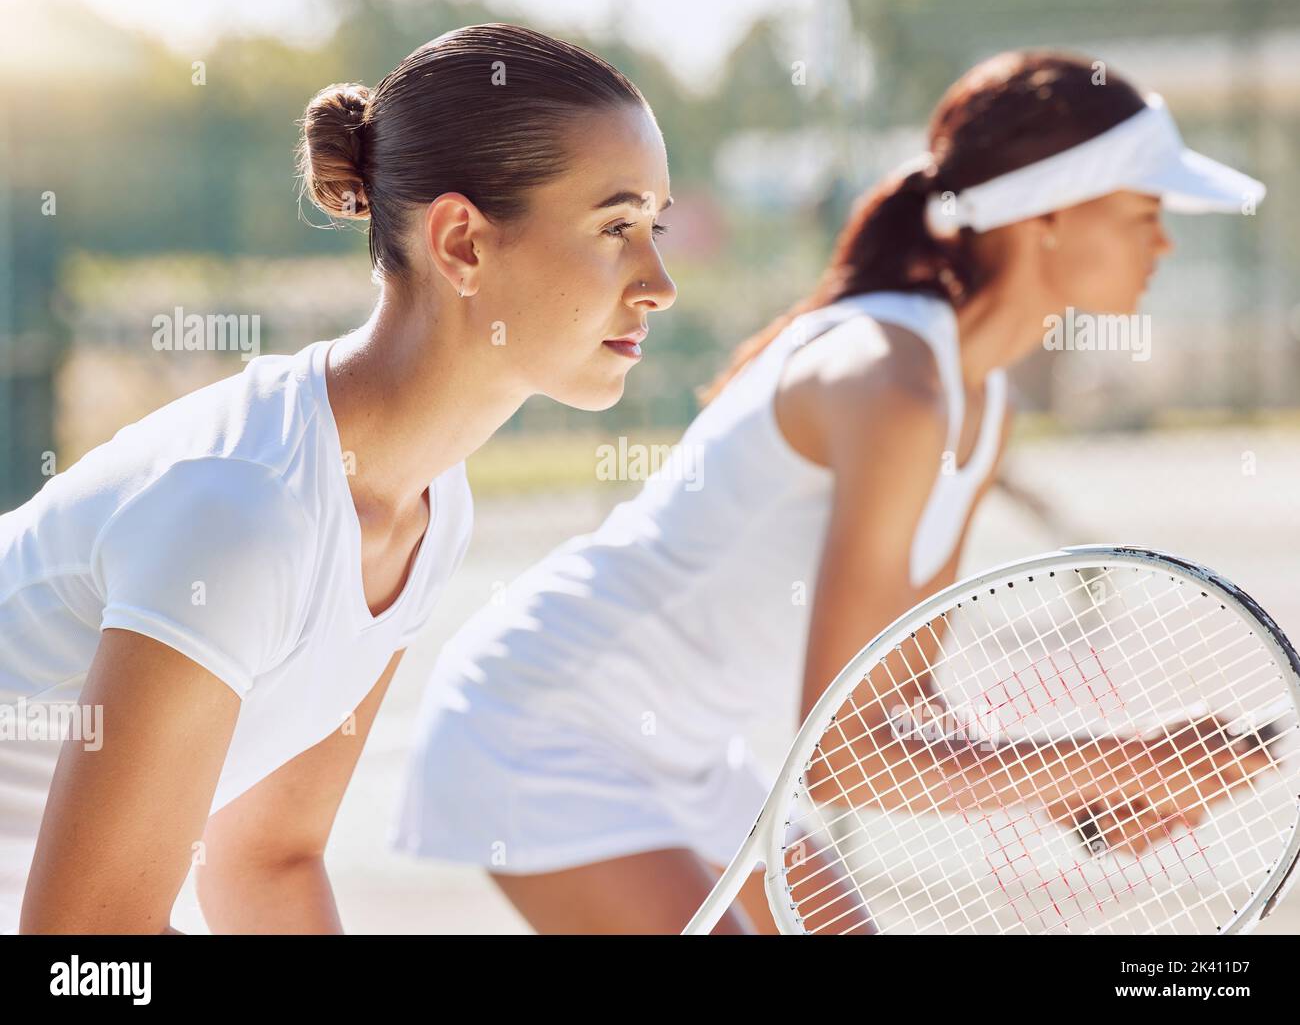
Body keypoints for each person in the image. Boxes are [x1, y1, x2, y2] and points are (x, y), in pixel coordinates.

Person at [390, 50, 1265, 934]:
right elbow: (843, 757)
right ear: (1047, 214)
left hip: (689, 755)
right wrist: (1119, 761)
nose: (1163, 242)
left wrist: (1092, 795)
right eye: (1144, 212)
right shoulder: (890, 383)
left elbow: (899, 699)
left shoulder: (979, 402)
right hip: (541, 721)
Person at [0, 22, 675, 934]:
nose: (660, 281)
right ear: (462, 243)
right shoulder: (243, 516)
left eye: (654, 227)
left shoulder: (431, 508)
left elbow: (265, 860)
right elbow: (83, 957)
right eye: (617, 226)